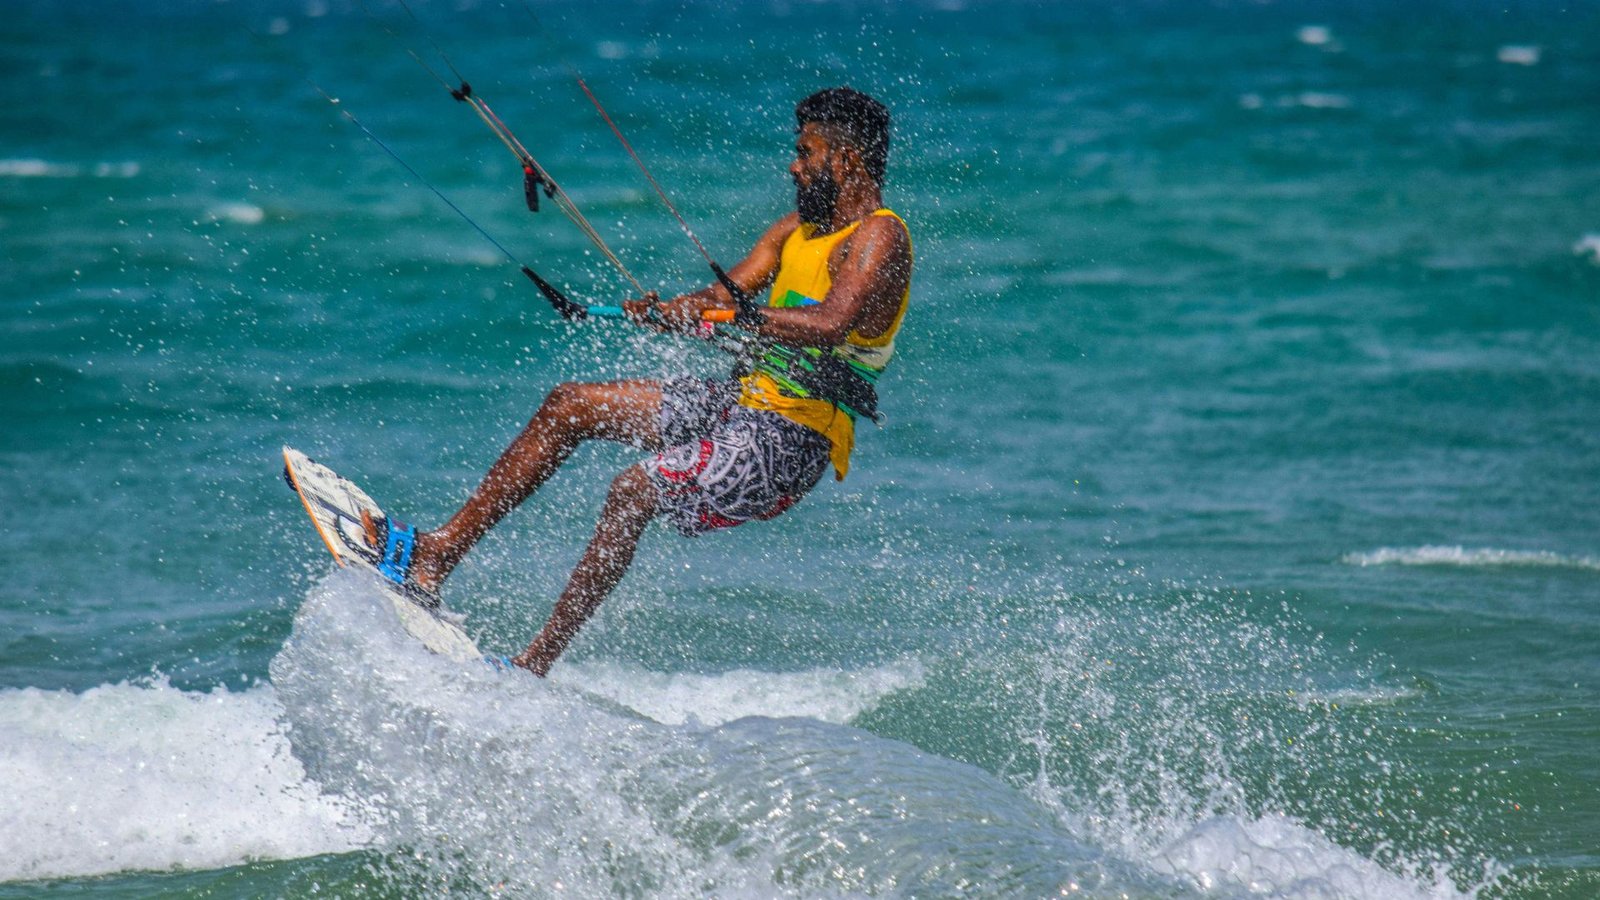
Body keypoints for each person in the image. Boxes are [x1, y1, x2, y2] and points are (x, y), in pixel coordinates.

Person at [366, 87, 913, 676]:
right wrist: (674, 308)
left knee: (633, 490)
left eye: (806, 154)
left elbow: (831, 323)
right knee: (568, 405)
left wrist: (732, 317)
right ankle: (437, 554)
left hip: (792, 439)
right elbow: (719, 297)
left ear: (846, 161)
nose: (793, 166)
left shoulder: (880, 237)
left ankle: (533, 663)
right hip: (741, 403)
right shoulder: (792, 231)